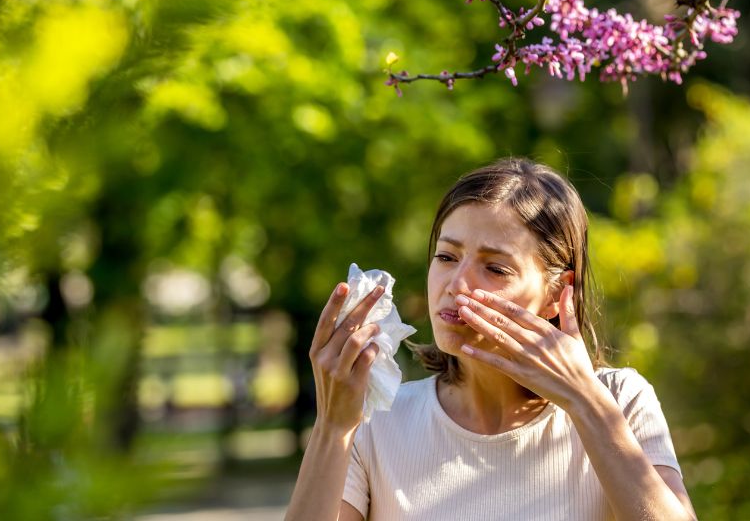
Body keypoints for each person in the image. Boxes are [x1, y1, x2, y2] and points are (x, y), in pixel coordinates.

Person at [286, 158, 698, 520]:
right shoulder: (378, 422)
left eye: (495, 269)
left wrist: (586, 403)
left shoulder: (621, 401)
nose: (456, 284)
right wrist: (332, 426)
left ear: (557, 294)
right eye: (446, 257)